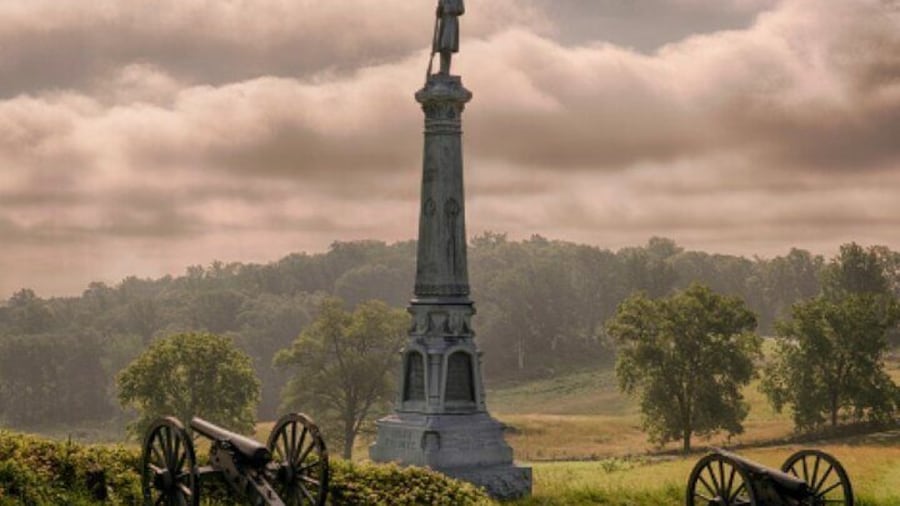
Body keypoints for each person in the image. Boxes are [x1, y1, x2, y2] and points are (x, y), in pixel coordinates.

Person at [432, 0, 465, 75]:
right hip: (444, 22)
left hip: (451, 21)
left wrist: (450, 8)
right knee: (442, 48)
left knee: (446, 45)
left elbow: (461, 10)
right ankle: (443, 70)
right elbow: (439, 14)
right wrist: (439, 11)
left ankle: (445, 71)